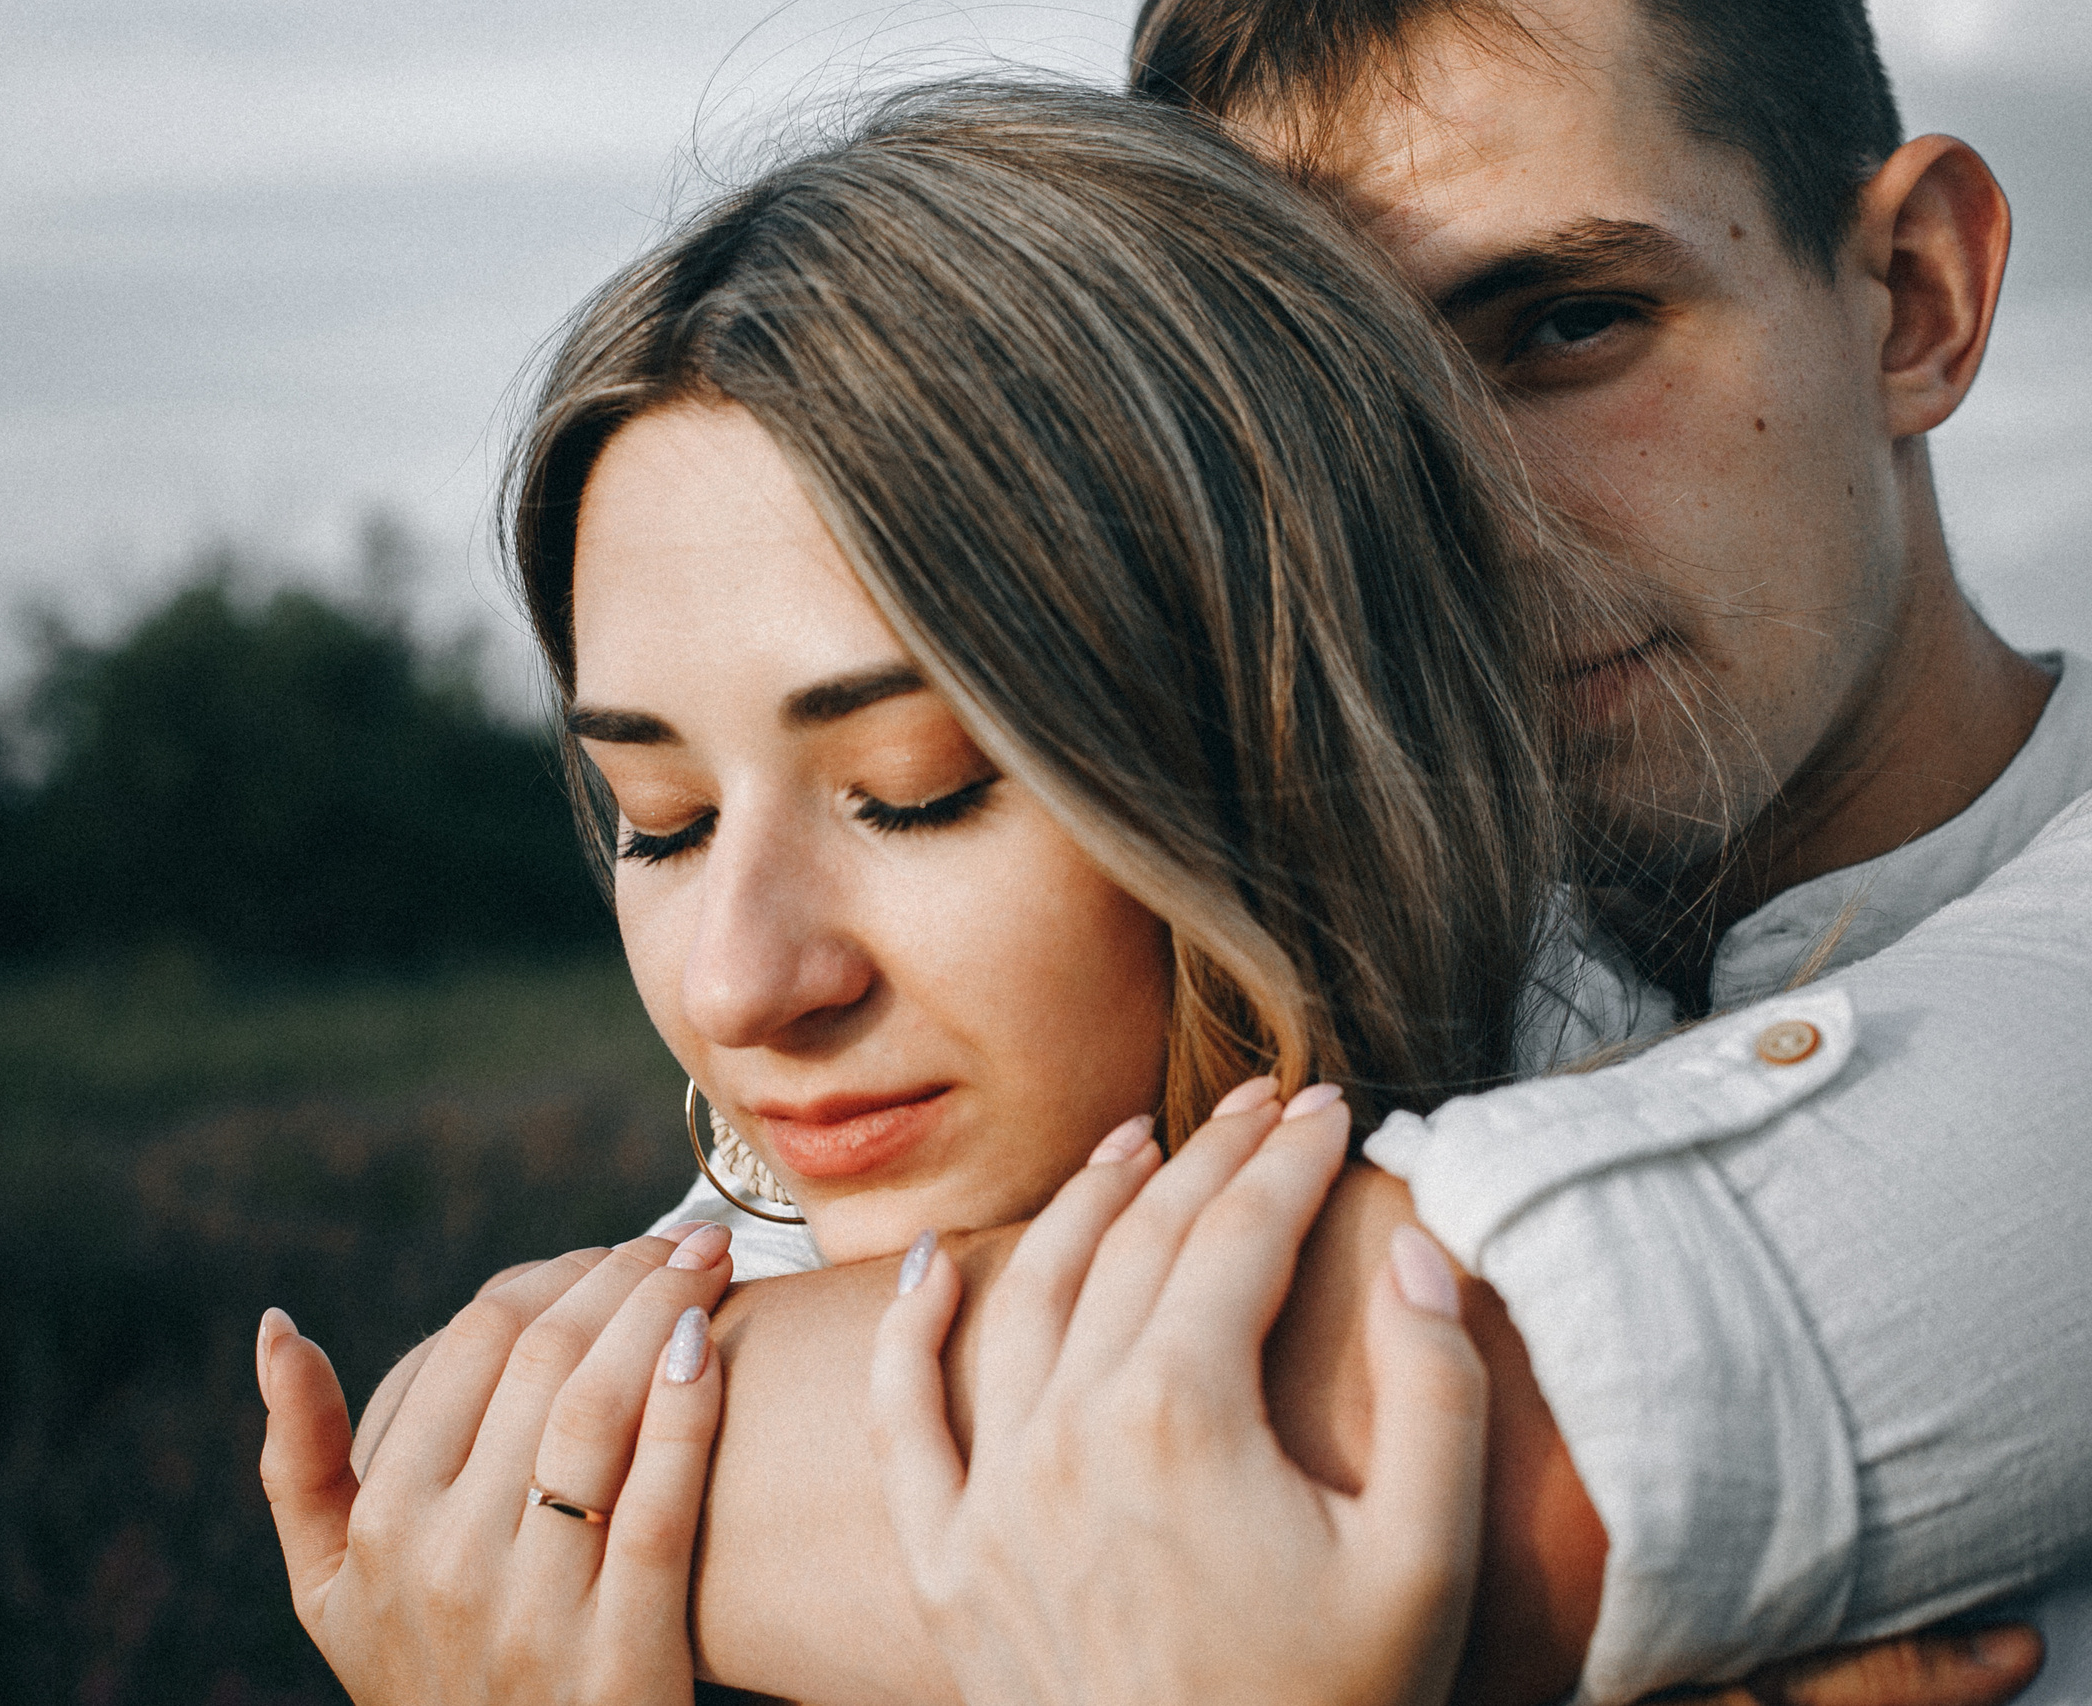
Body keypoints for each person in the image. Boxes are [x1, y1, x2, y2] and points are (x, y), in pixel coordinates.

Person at [270, 0, 2092, 1690]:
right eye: (1311, 426)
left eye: (1561, 327)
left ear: (1919, 295)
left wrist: (548, 1509)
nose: (1441, 517)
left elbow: (492, 1479)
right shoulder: (1168, 978)